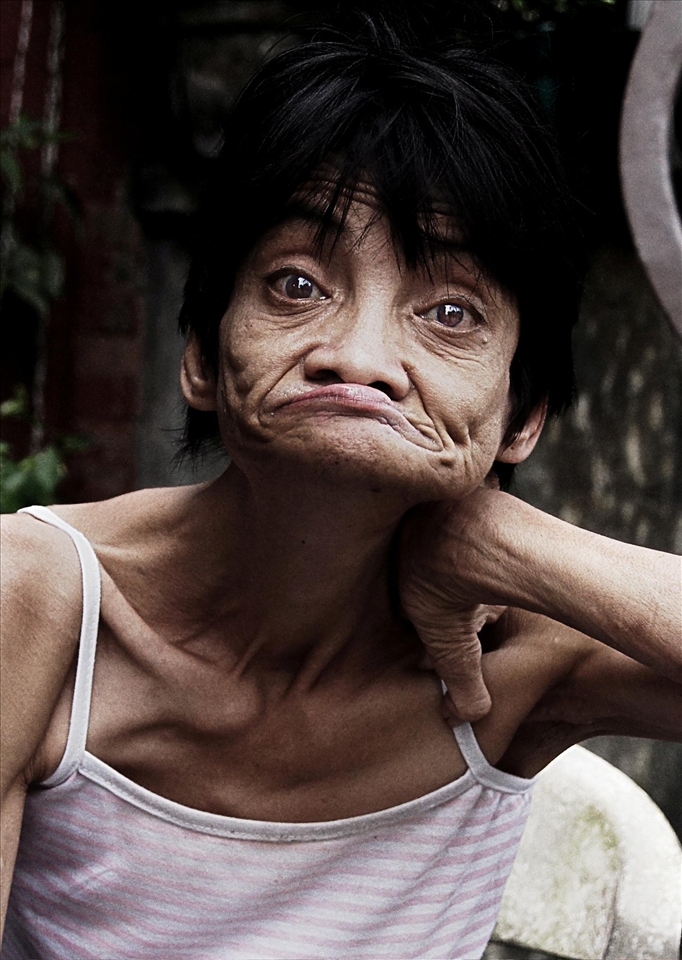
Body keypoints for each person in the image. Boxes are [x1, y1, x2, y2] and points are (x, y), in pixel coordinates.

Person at [1, 13, 680, 960]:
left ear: (523, 416)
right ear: (201, 353)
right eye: (295, 285)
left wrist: (502, 541)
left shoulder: (525, 661)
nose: (359, 358)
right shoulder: (38, 606)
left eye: (448, 312)